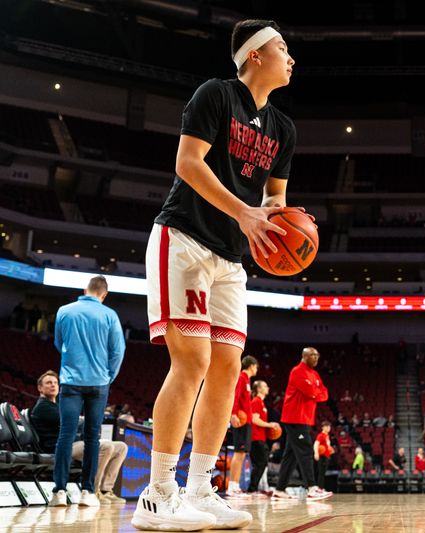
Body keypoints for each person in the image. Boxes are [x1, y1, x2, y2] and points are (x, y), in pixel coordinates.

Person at [133, 18, 298, 532]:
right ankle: (158, 493)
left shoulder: (283, 129)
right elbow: (188, 163)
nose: (290, 57)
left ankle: (202, 488)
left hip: (231, 259)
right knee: (192, 361)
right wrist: (243, 213)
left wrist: (274, 223)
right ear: (254, 55)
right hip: (183, 239)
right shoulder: (216, 95)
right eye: (282, 47)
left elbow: (274, 199)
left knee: (227, 369)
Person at [51, 276, 125, 508]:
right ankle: (87, 492)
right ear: (104, 294)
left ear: (86, 289)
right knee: (93, 438)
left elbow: (58, 342)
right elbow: (117, 351)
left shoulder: (64, 310)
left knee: (65, 435)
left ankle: (59, 492)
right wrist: (108, 376)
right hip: (98, 383)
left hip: (71, 381)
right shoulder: (109, 315)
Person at [30, 370, 128, 505]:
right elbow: (73, 424)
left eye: (55, 383)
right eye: (48, 383)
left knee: (121, 447)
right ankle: (93, 490)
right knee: (106, 446)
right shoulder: (42, 407)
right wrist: (83, 421)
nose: (53, 385)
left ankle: (106, 490)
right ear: (40, 388)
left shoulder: (58, 405)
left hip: (75, 444)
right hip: (58, 448)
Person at [273, 347, 332, 502]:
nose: (316, 358)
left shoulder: (315, 374)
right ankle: (312, 488)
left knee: (291, 455)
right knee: (306, 449)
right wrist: (316, 392)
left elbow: (324, 393)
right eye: (313, 355)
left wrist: (317, 392)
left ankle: (279, 490)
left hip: (305, 418)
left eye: (317, 355)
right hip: (295, 418)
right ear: (304, 356)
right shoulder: (297, 371)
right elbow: (311, 392)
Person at [227, 355, 259, 498]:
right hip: (240, 420)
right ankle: (232, 487)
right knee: (238, 453)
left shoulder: (247, 380)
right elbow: (234, 395)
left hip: (247, 422)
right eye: (256, 366)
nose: (256, 369)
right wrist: (233, 413)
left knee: (242, 454)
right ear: (251, 366)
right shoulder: (241, 377)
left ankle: (236, 486)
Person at [247, 380, 280, 495]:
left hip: (260, 437)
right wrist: (270, 425)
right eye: (265, 386)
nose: (268, 388)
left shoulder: (261, 402)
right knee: (260, 463)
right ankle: (252, 489)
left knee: (261, 464)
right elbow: (255, 419)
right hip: (256, 437)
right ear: (259, 389)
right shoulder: (256, 401)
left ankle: (257, 488)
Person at [314, 421, 334, 489]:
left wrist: (330, 449)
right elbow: (316, 444)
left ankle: (321, 488)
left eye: (329, 426)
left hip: (326, 456)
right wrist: (316, 453)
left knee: (323, 473)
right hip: (322, 456)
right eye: (327, 426)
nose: (329, 428)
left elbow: (327, 446)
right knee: (321, 473)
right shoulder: (320, 435)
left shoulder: (327, 436)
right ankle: (320, 488)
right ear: (323, 427)